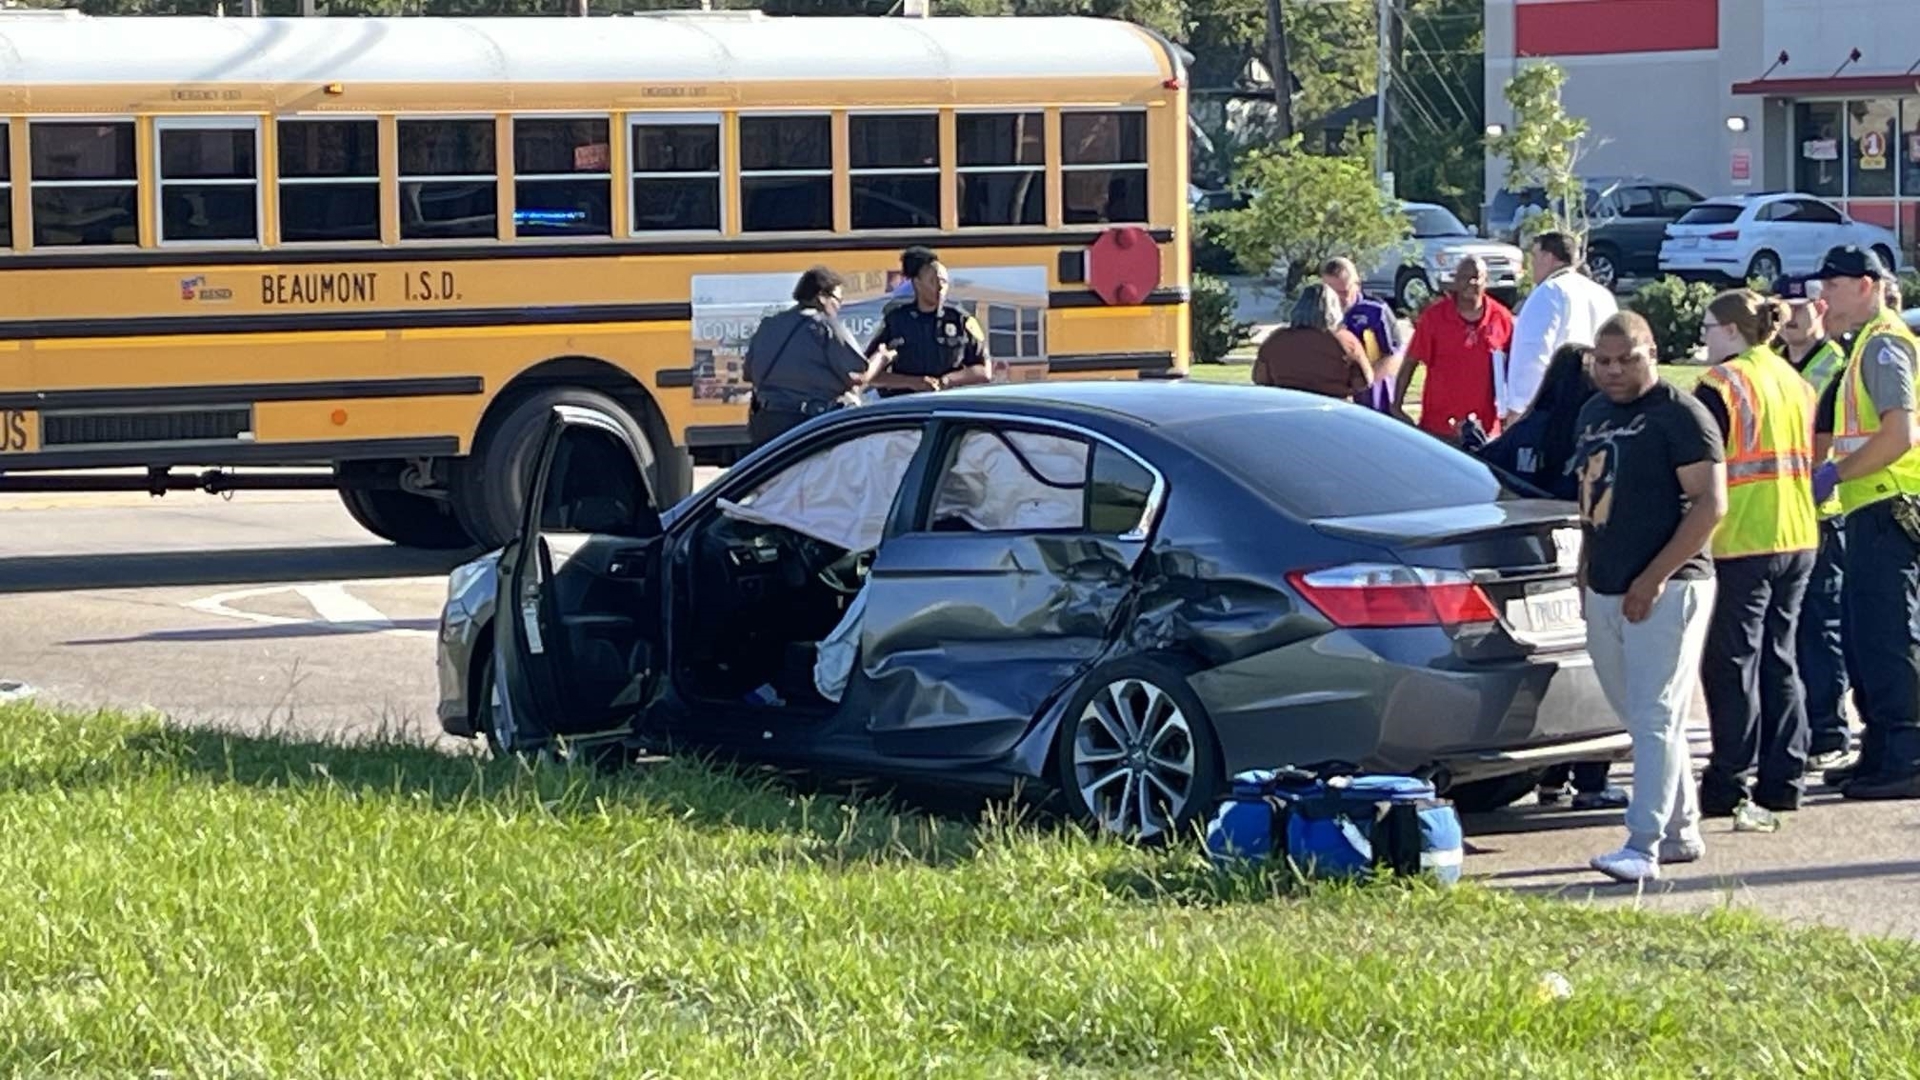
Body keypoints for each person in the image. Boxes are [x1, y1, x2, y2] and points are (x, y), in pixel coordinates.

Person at [1572, 311, 1726, 883]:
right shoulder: (1591, 413)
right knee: (1637, 716)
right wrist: (1587, 570)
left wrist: (1654, 577)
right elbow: (1590, 495)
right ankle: (1681, 829)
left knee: (1657, 712)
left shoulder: (1680, 415)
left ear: (1651, 353)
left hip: (1672, 584)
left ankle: (1643, 844)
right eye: (1602, 361)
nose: (1613, 371)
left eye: (1626, 359)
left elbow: (1711, 504)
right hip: (1607, 582)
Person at [1462, 341, 1630, 811]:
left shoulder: (1528, 431)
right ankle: (1592, 780)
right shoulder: (1595, 431)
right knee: (1594, 662)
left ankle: (1551, 779)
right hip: (1586, 552)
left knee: (1546, 667)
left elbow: (1486, 467)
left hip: (1526, 556)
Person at [1691, 289, 1820, 822]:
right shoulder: (1794, 378)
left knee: (1732, 663)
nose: (1703, 338)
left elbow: (1700, 464)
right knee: (1780, 656)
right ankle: (1784, 776)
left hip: (1742, 536)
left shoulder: (1721, 383)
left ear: (1730, 330)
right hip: (1797, 532)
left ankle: (1728, 779)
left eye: (1707, 328)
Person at [1810, 246, 1920, 800]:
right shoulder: (1864, 347)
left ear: (1868, 285)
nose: (1823, 294)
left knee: (1888, 636)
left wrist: (1835, 473)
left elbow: (1900, 435)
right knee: (1863, 637)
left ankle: (1907, 754)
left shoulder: (1884, 347)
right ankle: (1880, 750)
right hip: (1870, 506)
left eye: (1834, 283)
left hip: (1889, 504)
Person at [1776, 274, 1857, 769]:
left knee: (1822, 626)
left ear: (1821, 308)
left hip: (1828, 510)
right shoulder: (1774, 365)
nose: (1792, 317)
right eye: (1783, 309)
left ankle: (1829, 731)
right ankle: (1803, 727)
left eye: (1801, 308)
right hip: (1782, 511)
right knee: (1792, 629)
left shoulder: (1837, 362)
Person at [743, 266, 889, 448]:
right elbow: (858, 377)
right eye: (838, 300)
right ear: (821, 296)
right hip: (806, 425)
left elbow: (748, 374)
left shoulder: (769, 325)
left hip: (765, 423)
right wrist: (881, 358)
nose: (839, 306)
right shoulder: (824, 325)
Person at [1507, 231, 1619, 428]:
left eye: (1534, 256)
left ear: (1548, 257)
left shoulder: (1548, 292)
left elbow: (1533, 355)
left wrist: (1519, 408)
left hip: (1556, 407)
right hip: (1599, 403)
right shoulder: (1602, 295)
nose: (1531, 264)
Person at [1395, 255, 1513, 441]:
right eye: (1465, 276)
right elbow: (1411, 361)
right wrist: (1397, 405)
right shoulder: (1434, 318)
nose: (1471, 282)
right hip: (1439, 426)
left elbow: (1514, 369)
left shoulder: (1502, 318)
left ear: (1486, 281)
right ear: (1456, 280)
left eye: (1477, 276)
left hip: (1486, 429)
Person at [865, 247, 992, 397]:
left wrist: (947, 381)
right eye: (933, 281)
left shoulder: (961, 320)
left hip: (950, 406)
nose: (940, 288)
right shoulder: (896, 321)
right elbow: (870, 374)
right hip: (906, 408)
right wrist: (913, 382)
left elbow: (984, 371)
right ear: (917, 283)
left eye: (944, 282)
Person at [1252, 283, 1374, 401]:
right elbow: (1365, 381)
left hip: (1288, 407)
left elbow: (1260, 379)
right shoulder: (1345, 341)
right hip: (1333, 409)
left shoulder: (1276, 340)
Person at [1320, 257, 1402, 414]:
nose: (1338, 299)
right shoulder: (1317, 313)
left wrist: (1362, 385)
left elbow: (1394, 357)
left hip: (1373, 400)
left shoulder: (1375, 311)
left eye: (1344, 292)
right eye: (1332, 292)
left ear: (1357, 285)